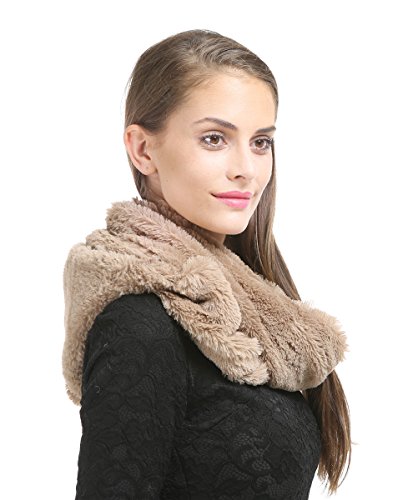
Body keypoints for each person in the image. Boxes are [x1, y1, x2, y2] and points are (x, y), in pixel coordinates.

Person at [62, 29, 351, 499]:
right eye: (214, 139)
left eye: (261, 142)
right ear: (143, 150)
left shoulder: (253, 306)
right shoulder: (139, 324)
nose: (246, 169)